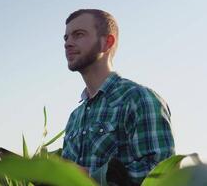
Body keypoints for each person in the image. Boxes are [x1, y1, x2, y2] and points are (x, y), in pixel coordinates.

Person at [61, 9, 175, 186]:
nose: (68, 43)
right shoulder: (74, 117)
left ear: (107, 42)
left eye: (78, 35)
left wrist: (90, 176)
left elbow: (162, 175)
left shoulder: (138, 99)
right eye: (66, 38)